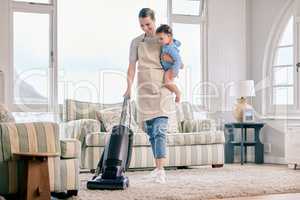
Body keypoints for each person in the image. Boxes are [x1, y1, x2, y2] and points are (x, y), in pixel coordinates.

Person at [124, 8, 175, 184]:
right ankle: (157, 168)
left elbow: (174, 58)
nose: (146, 28)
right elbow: (131, 67)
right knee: (152, 132)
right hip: (144, 89)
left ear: (154, 21)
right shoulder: (136, 42)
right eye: (142, 25)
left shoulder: (162, 39)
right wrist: (128, 87)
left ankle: (161, 170)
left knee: (160, 130)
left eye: (148, 24)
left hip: (161, 88)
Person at [156, 24, 182, 103]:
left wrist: (174, 71)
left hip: (171, 69)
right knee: (168, 83)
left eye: (161, 39)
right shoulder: (168, 43)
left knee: (167, 82)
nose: (159, 41)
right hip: (169, 68)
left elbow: (178, 60)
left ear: (169, 36)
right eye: (158, 39)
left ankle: (178, 93)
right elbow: (178, 43)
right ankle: (175, 93)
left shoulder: (171, 48)